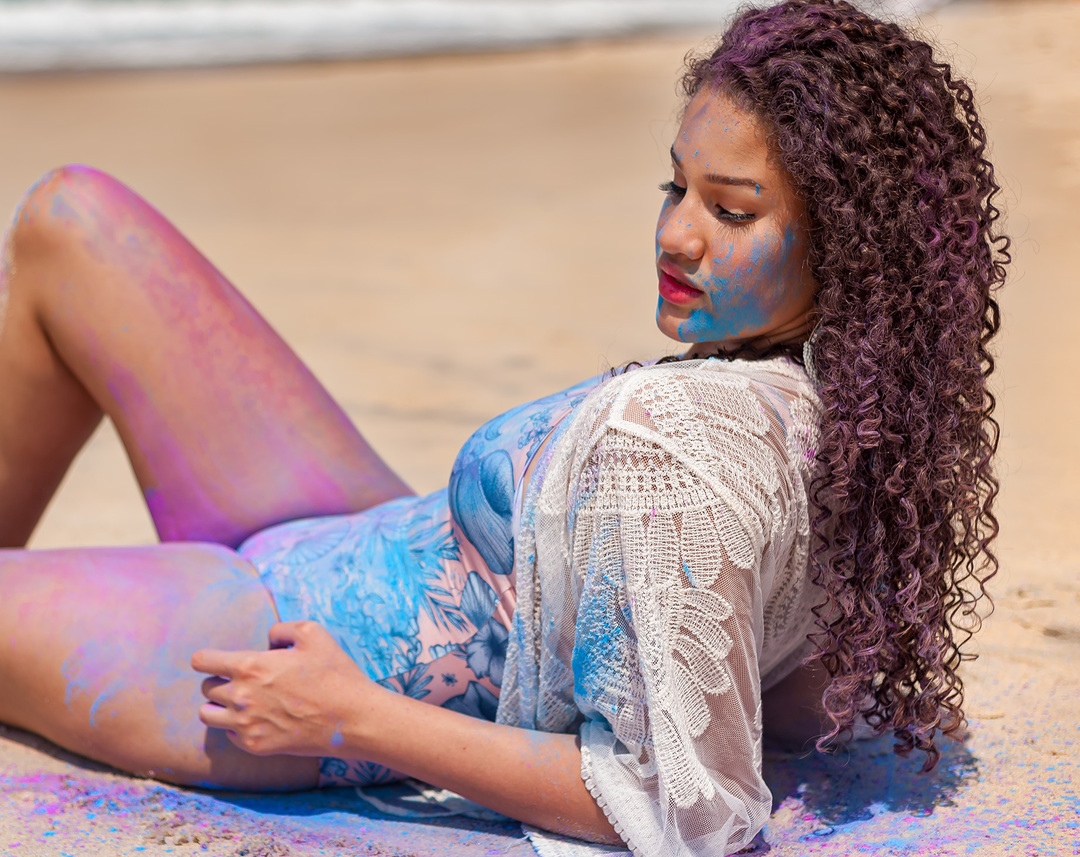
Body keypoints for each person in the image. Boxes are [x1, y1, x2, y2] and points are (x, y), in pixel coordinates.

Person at [0, 1, 1006, 854]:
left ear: (854, 252)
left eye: (732, 213)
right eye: (678, 185)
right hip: (380, 528)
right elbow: (786, 686)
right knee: (71, 217)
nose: (675, 234)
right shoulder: (866, 418)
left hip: (271, 651)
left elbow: (689, 809)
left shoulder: (676, 450)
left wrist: (348, 716)